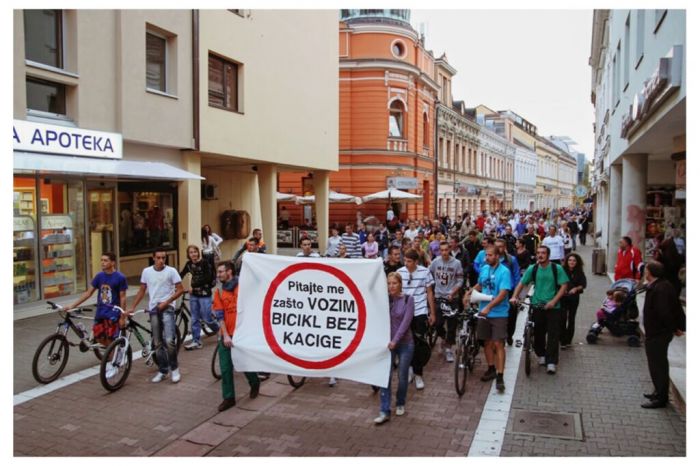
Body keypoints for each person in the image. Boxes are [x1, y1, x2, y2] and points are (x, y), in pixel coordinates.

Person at [510, 245, 569, 375]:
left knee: (553, 335)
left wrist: (553, 301)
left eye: (543, 253)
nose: (540, 255)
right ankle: (541, 354)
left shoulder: (556, 268)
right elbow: (522, 283)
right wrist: (515, 296)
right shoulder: (533, 268)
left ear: (548, 255)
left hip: (553, 307)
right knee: (538, 333)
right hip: (537, 305)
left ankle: (551, 362)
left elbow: (564, 285)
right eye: (538, 253)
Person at [129, 248, 185, 383]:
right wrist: (132, 307)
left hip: (167, 308)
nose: (161, 260)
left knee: (170, 340)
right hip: (153, 308)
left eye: (163, 258)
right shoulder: (146, 272)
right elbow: (142, 290)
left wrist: (167, 302)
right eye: (158, 258)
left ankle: (175, 369)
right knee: (157, 342)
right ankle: (163, 370)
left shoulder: (171, 271)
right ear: (153, 258)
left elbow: (180, 289)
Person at [212, 261, 260, 411]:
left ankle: (254, 382)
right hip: (227, 335)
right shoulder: (219, 291)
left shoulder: (243, 286)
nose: (218, 275)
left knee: (244, 364)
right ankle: (228, 398)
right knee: (226, 368)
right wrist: (225, 335)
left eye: (221, 272)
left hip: (243, 334)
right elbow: (219, 315)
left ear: (229, 272)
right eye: (218, 272)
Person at [463, 245, 511, 392]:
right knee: (487, 342)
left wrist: (489, 307)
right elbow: (480, 284)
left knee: (498, 343)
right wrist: (470, 292)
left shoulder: (504, 272)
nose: (487, 258)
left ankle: (500, 376)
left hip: (499, 313)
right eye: (486, 255)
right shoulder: (484, 268)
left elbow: (503, 294)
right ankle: (491, 368)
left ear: (497, 256)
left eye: (490, 255)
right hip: (483, 312)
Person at [640, 260, 686, 409]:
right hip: (656, 332)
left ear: (651, 273)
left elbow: (665, 313)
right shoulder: (660, 285)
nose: (644, 273)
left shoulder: (660, 289)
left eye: (646, 271)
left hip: (658, 333)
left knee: (657, 364)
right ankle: (658, 391)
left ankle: (661, 397)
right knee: (657, 364)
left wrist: (675, 328)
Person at [374, 272, 415, 425]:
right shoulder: (384, 300)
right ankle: (384, 410)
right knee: (385, 377)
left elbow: (405, 323)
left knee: (402, 376)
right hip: (387, 345)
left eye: (394, 283)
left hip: (405, 343)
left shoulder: (408, 299)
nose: (391, 286)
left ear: (400, 284)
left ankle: (400, 402)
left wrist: (395, 341)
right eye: (389, 283)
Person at [69, 252, 127, 348]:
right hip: (101, 311)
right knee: (98, 337)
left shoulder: (120, 277)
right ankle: (109, 356)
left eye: (105, 260)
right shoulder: (99, 276)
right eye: (101, 260)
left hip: (112, 313)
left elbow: (123, 297)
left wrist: (122, 317)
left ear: (113, 263)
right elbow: (88, 293)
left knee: (110, 339)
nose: (102, 263)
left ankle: (113, 360)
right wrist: (72, 305)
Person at [397, 249, 436, 390]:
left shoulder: (425, 272)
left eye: (409, 261)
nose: (406, 264)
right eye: (405, 261)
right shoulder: (400, 272)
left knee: (419, 344)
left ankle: (418, 374)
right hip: (404, 312)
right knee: (406, 343)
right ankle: (409, 370)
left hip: (420, 311)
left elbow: (430, 293)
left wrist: (432, 313)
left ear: (416, 262)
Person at [179, 245, 220, 350]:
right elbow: (181, 274)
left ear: (198, 253)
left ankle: (221, 331)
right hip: (194, 295)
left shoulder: (205, 263)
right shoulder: (189, 264)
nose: (193, 254)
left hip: (205, 294)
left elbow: (207, 278)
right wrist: (173, 283)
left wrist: (193, 286)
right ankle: (196, 341)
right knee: (194, 319)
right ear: (188, 255)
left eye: (195, 252)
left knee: (207, 318)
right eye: (191, 252)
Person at [429, 242, 464, 362]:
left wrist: (453, 292)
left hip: (452, 298)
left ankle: (449, 348)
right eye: (441, 250)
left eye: (446, 250)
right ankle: (443, 339)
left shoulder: (456, 263)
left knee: (452, 325)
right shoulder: (435, 262)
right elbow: (429, 274)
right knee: (437, 323)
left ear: (449, 249)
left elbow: (460, 280)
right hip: (439, 296)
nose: (444, 252)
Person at [494, 238, 520, 346]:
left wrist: (515, 293)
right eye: (497, 246)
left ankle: (509, 334)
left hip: (509, 291)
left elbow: (517, 276)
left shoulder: (511, 260)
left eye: (500, 246)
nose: (498, 249)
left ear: (504, 247)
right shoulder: (491, 259)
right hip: (494, 291)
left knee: (511, 315)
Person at [559, 253, 587, 349]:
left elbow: (583, 284)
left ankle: (568, 340)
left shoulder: (579, 272)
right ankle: (562, 339)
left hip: (574, 298)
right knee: (562, 318)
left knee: (571, 319)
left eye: (574, 260)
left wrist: (575, 288)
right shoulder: (562, 270)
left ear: (577, 262)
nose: (572, 262)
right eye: (570, 260)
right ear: (567, 261)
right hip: (563, 298)